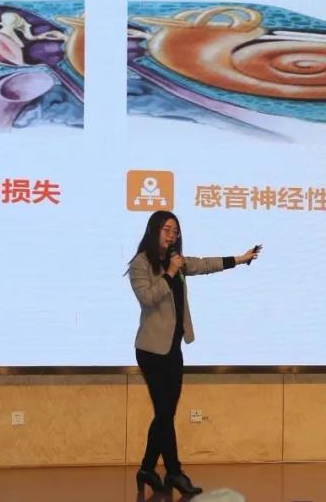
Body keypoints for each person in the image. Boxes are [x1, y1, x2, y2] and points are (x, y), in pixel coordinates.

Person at [128, 210, 261, 496]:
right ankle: (174, 472)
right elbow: (147, 298)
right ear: (153, 230)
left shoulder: (177, 260)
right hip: (151, 350)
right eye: (166, 230)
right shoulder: (141, 264)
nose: (172, 235)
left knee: (165, 413)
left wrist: (239, 259)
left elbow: (204, 264)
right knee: (165, 413)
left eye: (175, 231)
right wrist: (169, 273)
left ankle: (148, 469)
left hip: (173, 348)